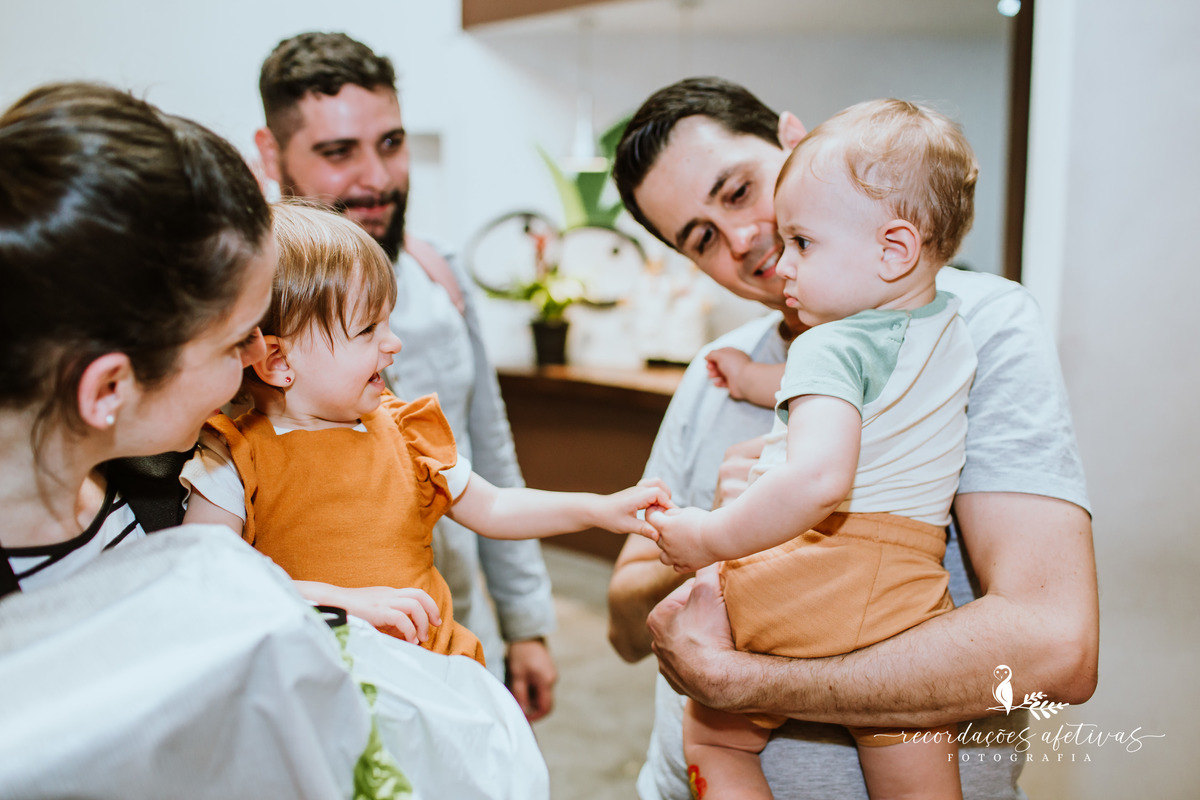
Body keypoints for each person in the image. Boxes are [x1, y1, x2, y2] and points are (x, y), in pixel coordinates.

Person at [607, 77, 1098, 799]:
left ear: (793, 141)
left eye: (740, 191)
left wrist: (743, 682)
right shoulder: (717, 372)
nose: (743, 240)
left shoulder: (981, 324)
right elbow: (623, 619)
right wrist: (719, 525)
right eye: (701, 238)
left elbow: (1058, 648)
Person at [646, 98, 979, 800]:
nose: (780, 261)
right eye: (700, 238)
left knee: (713, 735)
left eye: (803, 243)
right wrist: (749, 377)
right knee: (917, 778)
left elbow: (821, 478)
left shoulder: (826, 343)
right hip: (909, 598)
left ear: (893, 248)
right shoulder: (949, 324)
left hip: (807, 579)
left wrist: (707, 534)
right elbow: (858, 391)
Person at [181, 201, 670, 663]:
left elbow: (495, 506)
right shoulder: (231, 458)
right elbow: (211, 575)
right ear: (279, 362)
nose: (393, 344)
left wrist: (597, 508)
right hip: (321, 686)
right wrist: (340, 604)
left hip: (433, 665)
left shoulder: (404, 431)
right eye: (367, 330)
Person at [253, 32, 559, 717]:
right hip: (316, 665)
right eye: (338, 152)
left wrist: (527, 624)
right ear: (272, 153)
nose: (378, 177)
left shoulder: (442, 276)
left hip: (450, 634)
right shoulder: (244, 303)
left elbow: (491, 455)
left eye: (391, 143)